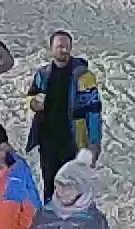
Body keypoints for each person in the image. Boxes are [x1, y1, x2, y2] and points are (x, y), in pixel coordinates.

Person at [24, 31, 104, 198]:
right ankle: (49, 213)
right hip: (47, 141)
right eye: (60, 46)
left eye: (67, 46)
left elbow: (94, 110)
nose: (64, 50)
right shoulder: (43, 74)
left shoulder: (84, 76)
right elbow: (31, 95)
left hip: (72, 141)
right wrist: (33, 103)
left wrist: (94, 142)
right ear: (51, 49)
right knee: (49, 185)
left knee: (72, 188)